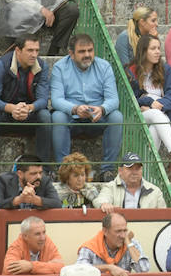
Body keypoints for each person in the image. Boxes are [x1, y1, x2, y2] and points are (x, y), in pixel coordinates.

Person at [0, 35, 51, 182]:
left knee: (45, 116)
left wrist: (29, 108)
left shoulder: (42, 66)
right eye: (30, 50)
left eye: (37, 50)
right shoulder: (2, 64)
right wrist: (11, 108)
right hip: (6, 113)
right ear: (18, 50)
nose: (34, 55)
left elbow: (43, 100)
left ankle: (44, 171)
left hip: (29, 114)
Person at [50, 34, 123, 180]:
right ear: (71, 54)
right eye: (82, 51)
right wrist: (75, 108)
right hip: (72, 116)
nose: (87, 55)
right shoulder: (60, 67)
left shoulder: (104, 67)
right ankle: (62, 168)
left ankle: (107, 170)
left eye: (90, 50)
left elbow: (113, 99)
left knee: (116, 116)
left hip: (96, 117)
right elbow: (56, 100)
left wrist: (102, 109)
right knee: (57, 116)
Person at [127, 35, 171, 164]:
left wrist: (154, 105)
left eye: (158, 48)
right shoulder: (131, 71)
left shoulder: (165, 69)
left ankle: (147, 169)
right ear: (143, 51)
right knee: (157, 114)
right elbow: (131, 99)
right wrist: (149, 102)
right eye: (153, 48)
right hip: (138, 115)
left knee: (155, 128)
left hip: (160, 114)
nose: (158, 52)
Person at [77, 212, 150, 276]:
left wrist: (128, 242)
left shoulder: (130, 244)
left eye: (125, 230)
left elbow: (143, 270)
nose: (122, 236)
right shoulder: (90, 247)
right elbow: (79, 269)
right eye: (118, 231)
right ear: (105, 231)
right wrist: (108, 267)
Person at [93, 154, 169, 210]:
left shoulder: (155, 191)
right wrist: (104, 204)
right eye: (130, 168)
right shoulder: (110, 187)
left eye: (137, 168)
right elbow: (100, 199)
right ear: (120, 170)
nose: (134, 172)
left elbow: (164, 215)